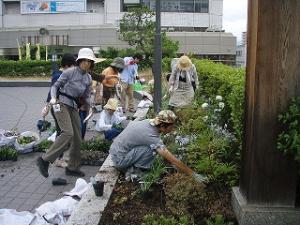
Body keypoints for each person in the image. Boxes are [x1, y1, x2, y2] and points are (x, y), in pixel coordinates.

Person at [36, 48, 95, 178]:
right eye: (84, 60)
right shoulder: (70, 72)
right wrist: (52, 98)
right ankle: (44, 160)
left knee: (77, 138)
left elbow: (86, 95)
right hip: (60, 104)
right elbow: (55, 86)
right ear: (79, 61)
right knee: (67, 132)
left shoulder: (88, 78)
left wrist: (91, 105)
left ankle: (72, 167)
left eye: (89, 61)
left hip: (73, 106)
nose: (86, 63)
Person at [109, 110, 206, 182]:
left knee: (153, 149)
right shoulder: (150, 136)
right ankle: (135, 171)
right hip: (119, 160)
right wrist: (193, 174)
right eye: (171, 128)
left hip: (116, 151)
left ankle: (133, 166)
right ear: (163, 126)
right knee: (150, 150)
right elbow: (171, 158)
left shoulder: (148, 122)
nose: (172, 130)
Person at [41, 53, 77, 135]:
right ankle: (59, 147)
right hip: (58, 108)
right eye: (73, 66)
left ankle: (64, 146)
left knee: (65, 130)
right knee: (62, 131)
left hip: (67, 106)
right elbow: (52, 93)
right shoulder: (58, 76)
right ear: (67, 66)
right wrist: (47, 108)